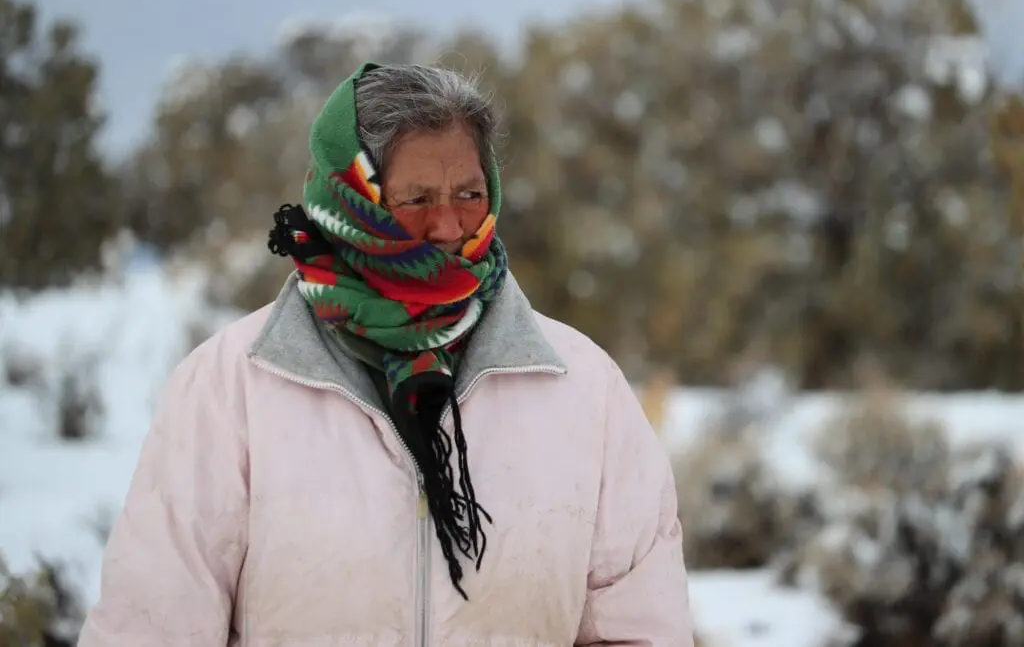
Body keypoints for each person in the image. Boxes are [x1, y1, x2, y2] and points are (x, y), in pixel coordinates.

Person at [77, 62, 694, 646]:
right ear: (349, 199)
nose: (450, 225)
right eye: (417, 198)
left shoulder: (581, 385)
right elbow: (151, 625)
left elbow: (641, 625)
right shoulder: (232, 386)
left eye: (469, 193)